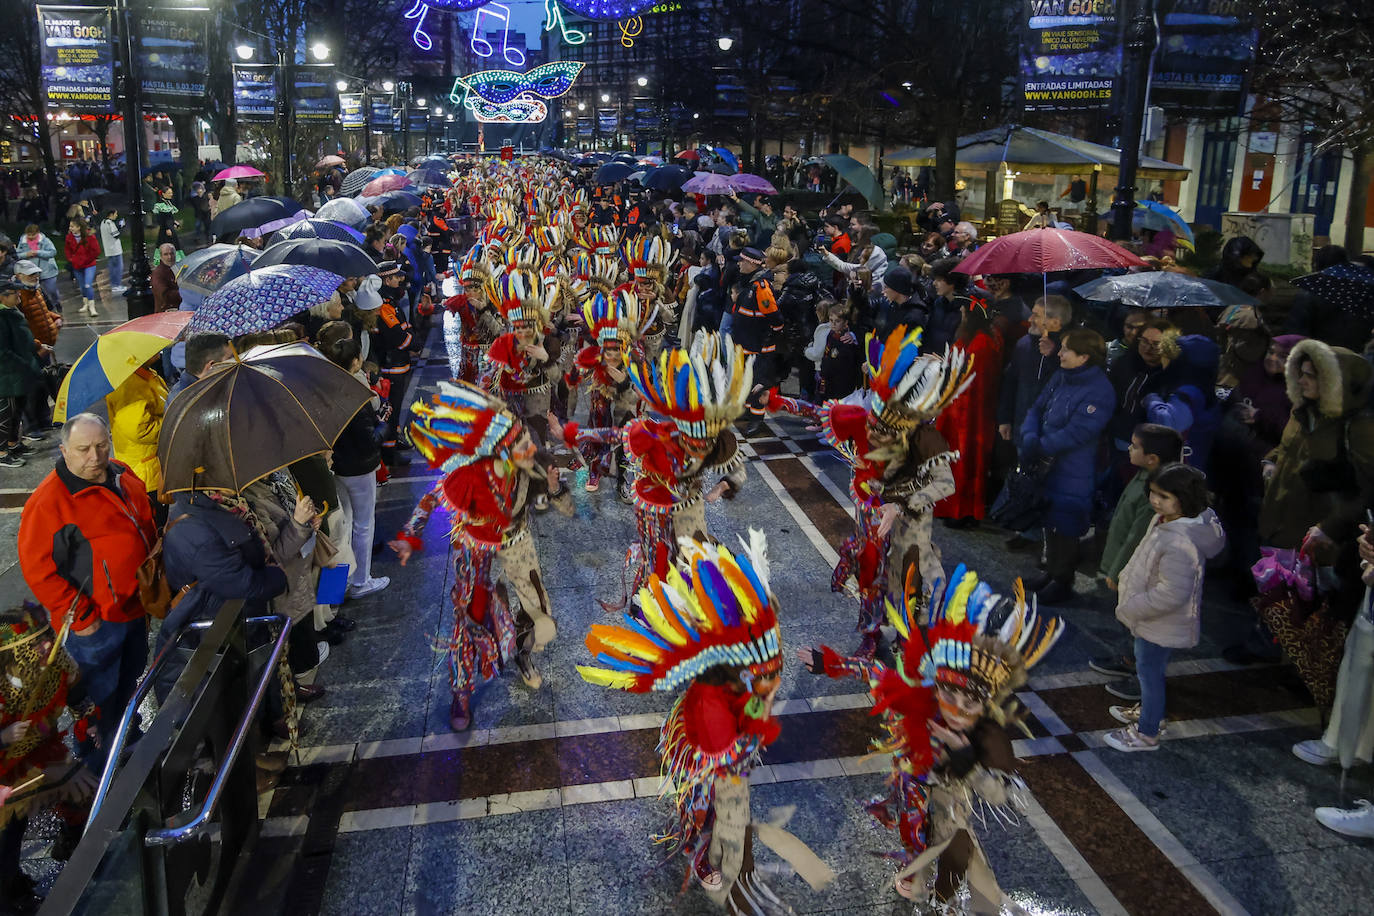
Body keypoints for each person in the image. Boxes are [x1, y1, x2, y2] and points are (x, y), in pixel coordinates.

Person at [577, 535, 831, 911]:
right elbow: (725, 753)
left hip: (732, 733)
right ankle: (714, 861)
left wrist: (762, 707)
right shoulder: (714, 683)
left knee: (731, 807)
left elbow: (766, 684)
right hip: (705, 745)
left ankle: (733, 869)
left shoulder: (754, 646)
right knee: (717, 808)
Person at [800, 562, 1062, 909]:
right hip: (911, 778)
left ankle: (947, 900)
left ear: (985, 703)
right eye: (948, 694)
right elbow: (876, 671)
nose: (956, 707)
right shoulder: (920, 698)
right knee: (911, 827)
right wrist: (830, 664)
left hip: (951, 802)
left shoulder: (989, 736)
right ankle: (914, 864)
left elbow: (999, 796)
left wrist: (964, 757)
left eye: (969, 701)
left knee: (957, 852)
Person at [769, 326, 969, 658]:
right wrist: (777, 401)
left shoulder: (925, 441)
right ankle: (871, 634)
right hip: (870, 517)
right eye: (872, 425)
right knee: (870, 574)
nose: (872, 433)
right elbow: (815, 411)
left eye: (883, 431)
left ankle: (911, 639)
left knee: (911, 581)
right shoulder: (867, 420)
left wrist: (900, 503)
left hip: (909, 525)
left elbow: (946, 483)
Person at [390, 381, 572, 731]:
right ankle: (461, 694)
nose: (527, 447)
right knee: (469, 621)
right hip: (474, 553)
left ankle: (522, 655)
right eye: (519, 443)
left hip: (518, 546)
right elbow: (430, 500)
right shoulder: (471, 474)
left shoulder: (534, 467)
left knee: (539, 615)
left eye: (526, 441)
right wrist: (410, 536)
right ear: (499, 450)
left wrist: (553, 487)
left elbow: (562, 506)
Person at [555, 332, 753, 609]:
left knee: (692, 560)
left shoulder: (717, 441)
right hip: (652, 512)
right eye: (692, 444)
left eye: (703, 446)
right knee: (656, 561)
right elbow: (613, 434)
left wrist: (721, 487)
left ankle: (691, 609)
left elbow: (738, 469)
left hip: (689, 511)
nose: (697, 453)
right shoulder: (657, 434)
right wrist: (572, 432)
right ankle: (652, 604)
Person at [16, 414, 156, 767]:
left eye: (101, 445)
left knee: (129, 676)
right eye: (83, 449)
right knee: (97, 695)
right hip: (95, 621)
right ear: (64, 450)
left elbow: (145, 524)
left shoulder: (123, 473)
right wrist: (80, 617)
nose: (94, 456)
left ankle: (125, 731)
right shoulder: (48, 502)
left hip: (135, 606)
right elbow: (38, 570)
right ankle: (98, 763)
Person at [1103, 464, 1225, 751]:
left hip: (1158, 620)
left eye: (1164, 496)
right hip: (1152, 618)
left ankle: (1147, 732)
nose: (1156, 501)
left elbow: (1172, 593)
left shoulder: (1180, 543)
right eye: (1154, 493)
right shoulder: (1166, 520)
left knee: (1149, 672)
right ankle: (1149, 713)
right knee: (1149, 670)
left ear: (1185, 498)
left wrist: (1133, 607)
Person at [0, 603, 101, 912]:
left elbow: (75, 692)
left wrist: (89, 721)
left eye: (48, 636)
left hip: (36, 750)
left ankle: (68, 845)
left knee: (82, 789)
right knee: (6, 836)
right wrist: (2, 737)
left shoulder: (57, 662)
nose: (48, 644)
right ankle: (7, 895)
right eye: (37, 642)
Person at [1018, 328, 1116, 603]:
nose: (1058, 353)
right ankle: (1051, 570)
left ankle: (1062, 579)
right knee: (1050, 519)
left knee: (1066, 523)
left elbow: (1078, 432)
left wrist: (1039, 445)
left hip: (1073, 470)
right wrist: (1028, 435)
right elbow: (1038, 407)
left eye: (1065, 350)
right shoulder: (1062, 375)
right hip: (1045, 464)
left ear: (1084, 357)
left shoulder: (1100, 391)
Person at [323, 338, 389, 600]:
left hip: (336, 466)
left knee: (343, 525)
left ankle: (338, 590)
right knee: (363, 523)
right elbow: (369, 439)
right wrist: (384, 425)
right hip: (359, 467)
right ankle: (361, 580)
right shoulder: (354, 394)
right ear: (356, 361)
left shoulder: (323, 389)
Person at [563, 288, 640, 496]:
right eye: (608, 351)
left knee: (626, 437)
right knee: (597, 424)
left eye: (617, 350)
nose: (612, 355)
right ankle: (594, 467)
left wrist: (623, 383)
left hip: (625, 406)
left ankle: (625, 479)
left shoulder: (637, 362)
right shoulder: (597, 363)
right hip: (601, 396)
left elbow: (641, 398)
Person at [935, 300, 1003, 528]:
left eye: (964, 313)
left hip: (970, 415)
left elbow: (974, 382)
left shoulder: (983, 343)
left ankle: (963, 511)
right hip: (955, 410)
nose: (960, 317)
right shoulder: (969, 338)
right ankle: (947, 505)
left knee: (967, 463)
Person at [104, 357, 168, 495]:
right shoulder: (127, 384)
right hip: (145, 473)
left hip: (156, 465)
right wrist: (174, 421)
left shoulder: (147, 374)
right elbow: (141, 431)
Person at [0, 279, 44, 469]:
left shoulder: (11, 311)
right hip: (8, 375)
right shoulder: (1, 317)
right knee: (5, 414)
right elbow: (2, 350)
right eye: (14, 293)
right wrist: (24, 364)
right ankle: (1, 453)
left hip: (20, 372)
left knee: (16, 411)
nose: (19, 294)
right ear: (2, 297)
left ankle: (13, 444)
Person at [814, 301, 862, 400]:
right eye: (831, 320)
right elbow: (826, 353)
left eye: (837, 321)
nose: (833, 324)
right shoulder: (831, 334)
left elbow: (847, 365)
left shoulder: (847, 339)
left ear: (845, 323)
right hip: (827, 379)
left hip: (841, 383)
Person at [166, 332, 231, 405]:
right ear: (212, 366)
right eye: (229, 359)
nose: (233, 362)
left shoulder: (180, 389)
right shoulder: (201, 403)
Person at [19, 225, 59, 313]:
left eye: (33, 235)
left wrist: (38, 252)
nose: (30, 237)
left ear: (37, 233)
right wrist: (26, 254)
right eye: (28, 235)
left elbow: (52, 252)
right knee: (38, 293)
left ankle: (56, 302)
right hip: (32, 271)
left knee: (51, 289)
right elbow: (17, 254)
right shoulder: (22, 242)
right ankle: (47, 308)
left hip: (47, 270)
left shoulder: (45, 241)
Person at [98, 207, 125, 294]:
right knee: (118, 267)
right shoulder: (110, 223)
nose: (116, 215)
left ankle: (114, 285)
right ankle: (116, 285)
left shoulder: (103, 222)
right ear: (111, 214)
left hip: (108, 249)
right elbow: (116, 235)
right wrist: (121, 226)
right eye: (115, 214)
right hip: (115, 250)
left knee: (112, 267)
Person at [150, 243, 182, 313]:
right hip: (165, 312)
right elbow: (165, 295)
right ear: (161, 256)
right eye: (166, 254)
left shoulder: (180, 268)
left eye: (172, 253)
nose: (169, 257)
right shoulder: (158, 273)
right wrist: (185, 293)